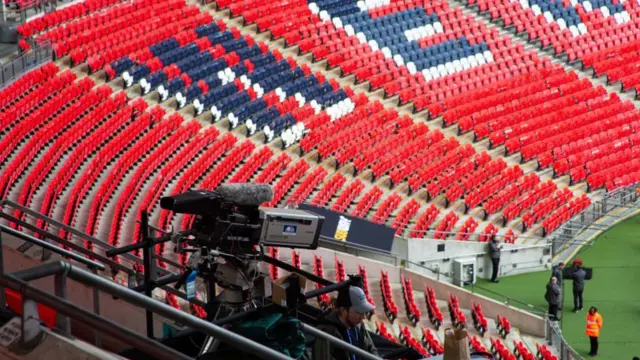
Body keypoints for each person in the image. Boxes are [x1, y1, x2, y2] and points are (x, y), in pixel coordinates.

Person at [313, 286, 379, 360]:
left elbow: (372, 349)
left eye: (364, 312)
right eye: (358, 312)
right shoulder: (326, 332)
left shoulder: (358, 325)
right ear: (343, 311)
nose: (363, 317)